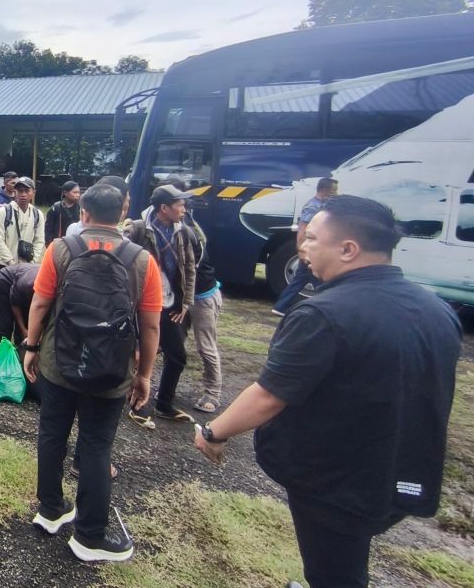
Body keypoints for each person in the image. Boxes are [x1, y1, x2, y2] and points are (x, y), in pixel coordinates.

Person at [194, 195, 462, 588]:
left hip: (337, 478)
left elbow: (270, 394)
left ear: (348, 249)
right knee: (345, 556)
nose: (303, 248)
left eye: (313, 238)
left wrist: (213, 432)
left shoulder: (323, 314)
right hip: (402, 467)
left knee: (335, 571)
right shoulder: (437, 310)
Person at [21, 183, 162, 562]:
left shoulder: (61, 250)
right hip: (112, 370)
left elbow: (40, 303)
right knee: (97, 446)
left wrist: (32, 348)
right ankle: (89, 535)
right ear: (122, 214)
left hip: (58, 361)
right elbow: (150, 326)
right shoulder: (142, 260)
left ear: (83, 213)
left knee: (51, 434)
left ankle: (50, 510)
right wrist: (144, 374)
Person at [124, 184, 197, 428]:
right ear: (164, 208)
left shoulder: (183, 232)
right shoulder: (137, 229)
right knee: (140, 353)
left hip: (170, 303)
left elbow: (189, 267)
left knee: (177, 356)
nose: (184, 210)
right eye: (180, 205)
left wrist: (186, 301)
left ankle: (164, 403)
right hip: (142, 304)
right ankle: (137, 405)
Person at [272, 177, 339, 316]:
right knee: (318, 281)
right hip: (308, 253)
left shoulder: (319, 205)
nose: (336, 193)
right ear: (325, 190)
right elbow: (302, 229)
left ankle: (280, 307)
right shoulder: (313, 207)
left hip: (309, 252)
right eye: (334, 190)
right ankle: (326, 309)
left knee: (304, 280)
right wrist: (302, 250)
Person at [183, 200, 223, 414]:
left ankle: (213, 392)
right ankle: (166, 389)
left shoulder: (189, 231)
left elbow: (188, 267)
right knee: (171, 344)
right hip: (180, 297)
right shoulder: (162, 226)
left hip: (203, 296)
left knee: (205, 346)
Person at [0, 176, 45, 269]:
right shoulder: (3, 212)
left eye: (27, 190)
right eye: (20, 191)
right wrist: (10, 262)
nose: (23, 194)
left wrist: (32, 261)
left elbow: (39, 240)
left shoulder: (37, 214)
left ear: (33, 193)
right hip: (3, 264)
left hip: (27, 266)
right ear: (15, 192)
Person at [0, 262, 39, 347]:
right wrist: (23, 329)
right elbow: (15, 304)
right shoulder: (26, 284)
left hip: (22, 283)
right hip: (4, 281)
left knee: (25, 323)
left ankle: (20, 352)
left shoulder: (47, 285)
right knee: (6, 324)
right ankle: (2, 356)